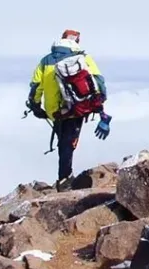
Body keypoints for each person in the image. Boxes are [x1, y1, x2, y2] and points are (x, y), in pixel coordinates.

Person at [25, 29, 112, 186]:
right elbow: (98, 81)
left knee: (64, 141)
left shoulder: (45, 61)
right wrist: (100, 106)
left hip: (55, 111)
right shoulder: (83, 58)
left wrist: (36, 106)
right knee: (68, 142)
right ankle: (65, 179)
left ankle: (65, 176)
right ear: (76, 41)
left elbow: (35, 86)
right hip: (77, 108)